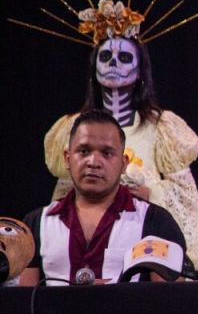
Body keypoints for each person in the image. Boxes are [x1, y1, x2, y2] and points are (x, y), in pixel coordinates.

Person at [44, 35, 198, 270]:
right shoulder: (73, 127)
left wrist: (151, 192)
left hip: (142, 228)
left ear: (140, 69)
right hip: (88, 229)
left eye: (124, 57)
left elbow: (185, 193)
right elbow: (63, 191)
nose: (113, 63)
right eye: (105, 56)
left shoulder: (161, 127)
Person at [20, 109, 187, 286]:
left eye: (107, 153)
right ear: (67, 159)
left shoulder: (157, 222)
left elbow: (169, 299)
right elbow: (24, 299)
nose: (93, 162)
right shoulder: (35, 224)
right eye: (83, 151)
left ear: (123, 163)